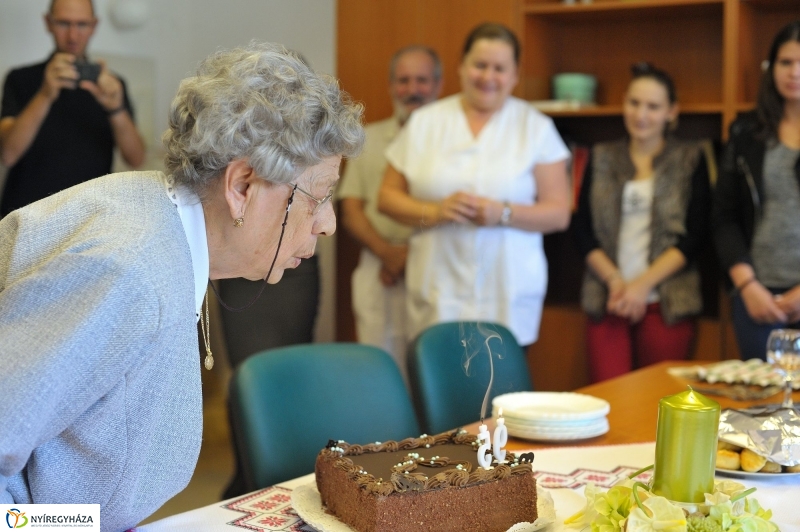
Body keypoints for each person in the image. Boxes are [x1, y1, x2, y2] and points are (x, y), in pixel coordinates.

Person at [0, 42, 364, 531]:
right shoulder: (128, 271)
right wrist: (59, 526)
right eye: (318, 198)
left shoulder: (161, 217)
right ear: (241, 188)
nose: (329, 223)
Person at [378, 23, 571, 348]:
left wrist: (503, 213)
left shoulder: (535, 127)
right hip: (438, 283)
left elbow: (558, 213)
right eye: (480, 65)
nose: (488, 77)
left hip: (506, 287)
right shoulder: (426, 121)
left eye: (499, 68)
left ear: (514, 74)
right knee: (438, 385)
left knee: (501, 388)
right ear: (462, 66)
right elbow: (387, 198)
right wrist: (436, 211)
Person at [574, 63, 711, 383]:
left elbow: (696, 235)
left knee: (659, 400)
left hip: (667, 301)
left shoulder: (690, 158)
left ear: (671, 112)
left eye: (653, 106)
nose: (641, 114)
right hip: (608, 297)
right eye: (634, 103)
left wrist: (642, 285)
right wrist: (617, 282)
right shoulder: (602, 156)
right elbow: (582, 230)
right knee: (608, 399)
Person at [338, 45, 442, 377]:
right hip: (377, 266)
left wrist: (410, 255)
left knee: (431, 370)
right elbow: (351, 209)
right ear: (391, 85)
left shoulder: (452, 143)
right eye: (404, 80)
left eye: (422, 80)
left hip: (436, 264)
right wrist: (389, 254)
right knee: (378, 368)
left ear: (438, 85)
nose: (413, 90)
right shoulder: (365, 139)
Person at [0, 0, 145, 217]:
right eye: (64, 23)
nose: (73, 35)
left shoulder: (112, 85)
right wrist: (45, 95)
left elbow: (136, 159)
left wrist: (115, 109)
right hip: (24, 217)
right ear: (48, 23)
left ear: (94, 26)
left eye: (82, 24)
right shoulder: (20, 79)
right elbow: (8, 154)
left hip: (88, 219)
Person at [712, 21, 800, 361]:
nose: (795, 72)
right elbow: (724, 216)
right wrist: (747, 286)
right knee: (761, 406)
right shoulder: (746, 132)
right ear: (771, 68)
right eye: (786, 62)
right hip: (757, 295)